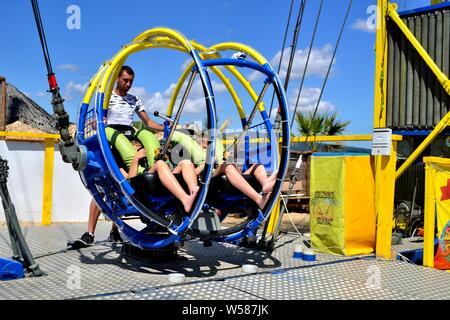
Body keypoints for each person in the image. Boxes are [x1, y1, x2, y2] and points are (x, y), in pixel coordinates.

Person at [75, 65, 165, 248]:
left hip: (128, 138)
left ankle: (115, 231)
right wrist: (98, 124)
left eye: (131, 81)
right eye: (125, 80)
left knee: (123, 186)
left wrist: (166, 128)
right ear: (117, 78)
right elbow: (98, 120)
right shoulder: (107, 98)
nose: (128, 84)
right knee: (105, 188)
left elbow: (148, 122)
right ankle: (90, 233)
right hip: (111, 140)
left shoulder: (134, 99)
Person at [195, 135, 277, 210]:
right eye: (205, 148)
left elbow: (239, 173)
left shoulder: (218, 156)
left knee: (257, 166)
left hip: (230, 176)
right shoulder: (198, 158)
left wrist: (231, 161)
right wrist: (207, 162)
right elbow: (195, 173)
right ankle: (258, 199)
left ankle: (265, 184)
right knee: (227, 166)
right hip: (212, 181)